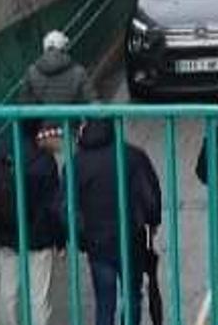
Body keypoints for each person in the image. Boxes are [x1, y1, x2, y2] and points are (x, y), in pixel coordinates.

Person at [72, 119, 162, 325]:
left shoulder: (77, 163)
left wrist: (81, 237)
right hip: (131, 238)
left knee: (104, 302)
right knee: (132, 295)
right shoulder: (133, 156)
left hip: (97, 243)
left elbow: (66, 206)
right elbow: (149, 196)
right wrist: (153, 221)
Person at [0, 121, 64, 325]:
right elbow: (53, 207)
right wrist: (60, 240)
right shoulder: (44, 161)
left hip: (7, 234)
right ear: (38, 132)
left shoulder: (1, 158)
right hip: (38, 237)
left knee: (7, 292)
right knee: (38, 297)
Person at [20, 31, 98, 105]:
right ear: (63, 48)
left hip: (44, 118)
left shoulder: (31, 72)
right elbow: (91, 101)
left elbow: (24, 102)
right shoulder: (78, 72)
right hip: (71, 117)